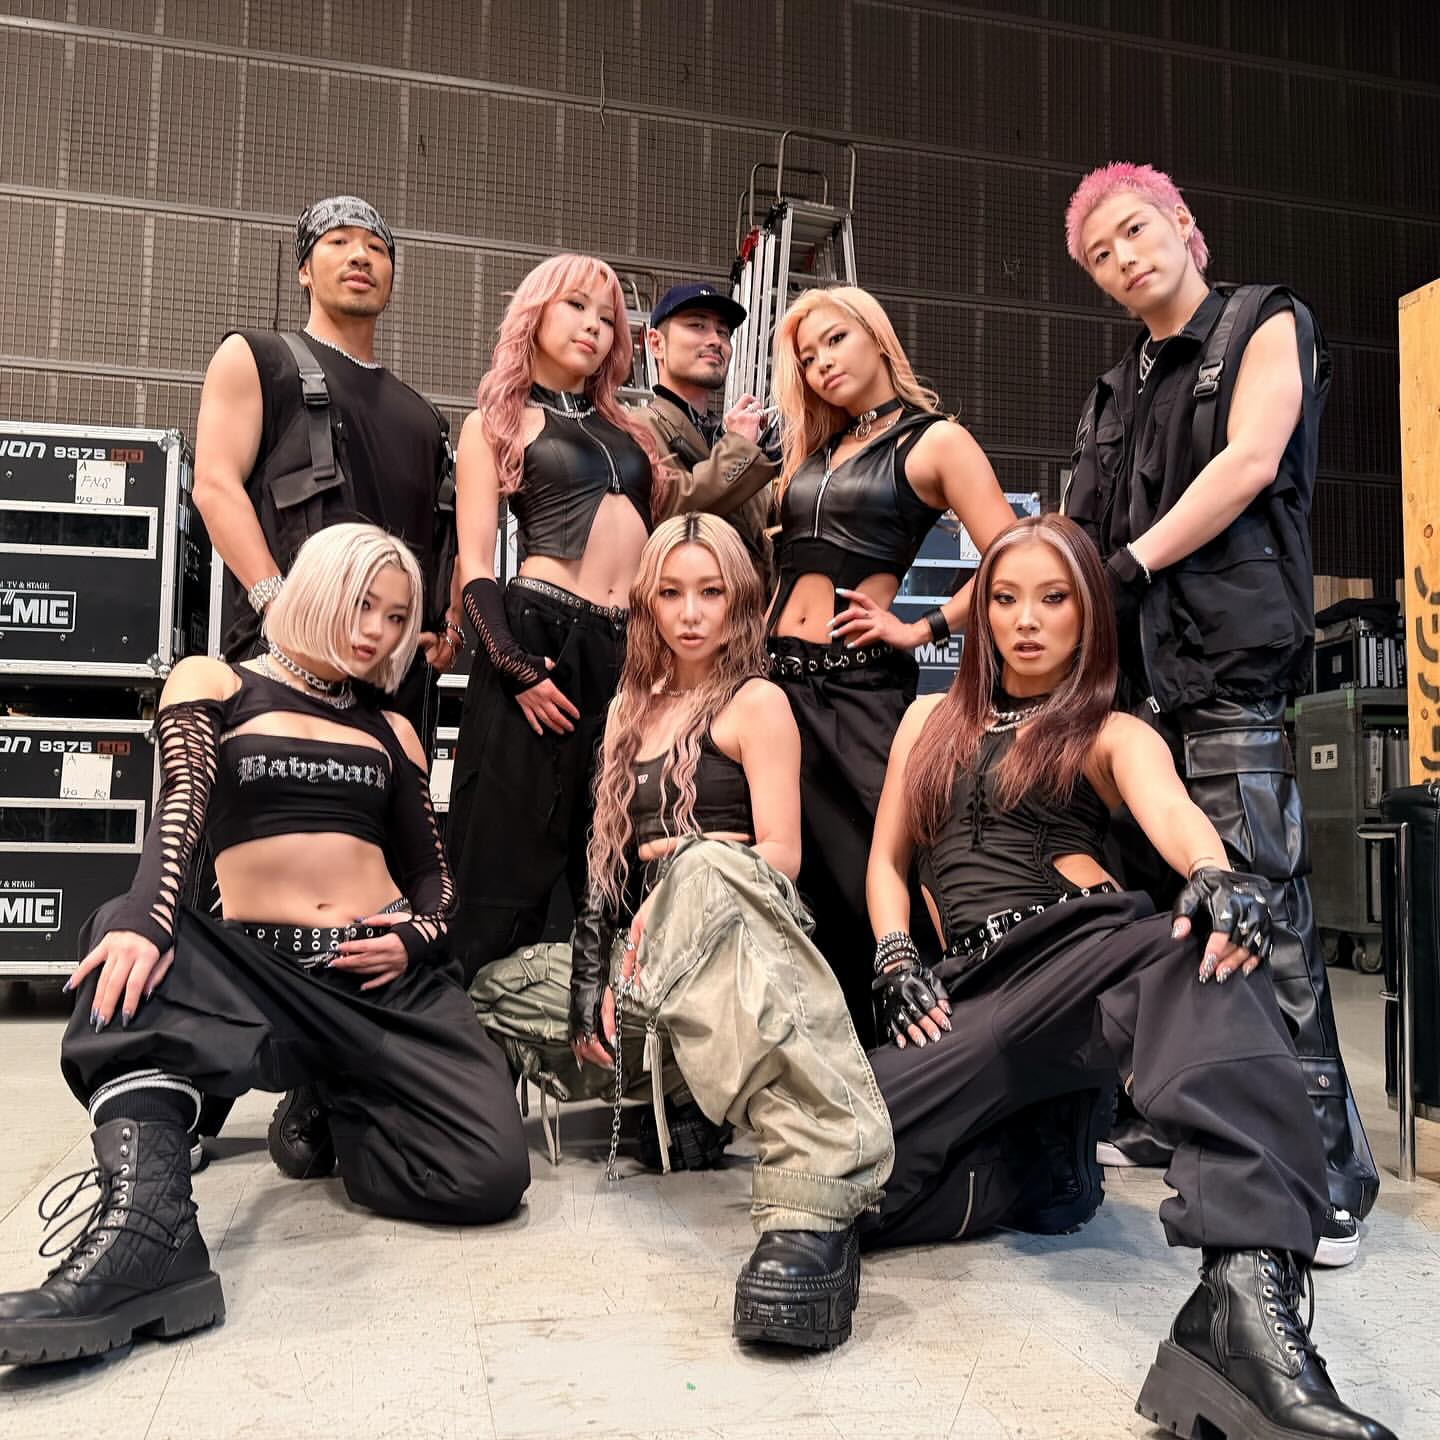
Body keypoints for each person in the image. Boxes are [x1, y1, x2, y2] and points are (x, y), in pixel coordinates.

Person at [862, 513, 1395, 1440]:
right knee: (852, 1165)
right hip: (960, 1000)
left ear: (1087, 615)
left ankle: (1242, 1300)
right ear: (982, 613)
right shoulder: (926, 721)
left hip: (1076, 959)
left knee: (1200, 944)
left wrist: (1215, 873)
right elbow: (887, 861)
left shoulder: (1110, 731)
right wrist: (894, 951)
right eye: (1006, 598)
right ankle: (1037, 1167)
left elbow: (1175, 813)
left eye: (1054, 598)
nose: (1027, 620)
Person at [0, 524, 529, 1368]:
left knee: (487, 1178)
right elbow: (179, 815)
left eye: (398, 617)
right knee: (124, 941)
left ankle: (333, 1103)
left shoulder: (392, 727)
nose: (378, 631)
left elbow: (436, 879)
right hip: (263, 974)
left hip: (380, 982)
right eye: (363, 604)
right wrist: (145, 916)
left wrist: (415, 938)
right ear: (316, 587)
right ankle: (148, 1235)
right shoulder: (216, 680)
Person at [469, 513, 893, 1352]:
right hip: (647, 958)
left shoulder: (756, 701)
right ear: (647, 605)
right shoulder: (630, 705)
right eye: (671, 593)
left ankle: (815, 1176)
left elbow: (781, 855)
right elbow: (602, 870)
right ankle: (679, 1093)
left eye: (710, 593)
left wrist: (688, 873)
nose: (691, 613)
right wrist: (592, 982)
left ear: (739, 602)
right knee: (497, 986)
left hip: (733, 926)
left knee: (703, 868)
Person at [1061, 162, 1377, 1264]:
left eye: (1134, 231)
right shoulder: (1114, 390)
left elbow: (1249, 460)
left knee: (1260, 909)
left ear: (1183, 224)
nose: (1123, 259)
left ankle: (1327, 1173)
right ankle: (1183, 1116)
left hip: (1230, 664)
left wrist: (1133, 564)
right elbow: (1076, 532)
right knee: (1165, 909)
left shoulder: (1262, 322)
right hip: (1132, 684)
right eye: (1100, 255)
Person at [767, 285, 1015, 1044]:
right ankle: (835, 1061)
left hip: (859, 688)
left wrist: (922, 626)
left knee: (885, 866)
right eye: (807, 357)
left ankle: (937, 1044)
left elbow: (1011, 556)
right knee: (803, 886)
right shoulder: (816, 451)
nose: (821, 363)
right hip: (777, 690)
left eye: (835, 340)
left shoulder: (934, 441)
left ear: (877, 337)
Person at [446, 254, 662, 985]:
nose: (594, 327)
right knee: (506, 847)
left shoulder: (632, 431)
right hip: (539, 638)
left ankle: (609, 1027)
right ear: (535, 312)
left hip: (630, 651)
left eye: (608, 319)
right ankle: (476, 1032)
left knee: (615, 850)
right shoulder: (495, 423)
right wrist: (511, 663)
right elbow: (475, 563)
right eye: (576, 306)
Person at [194, 194, 462, 742]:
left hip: (396, 684)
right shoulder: (257, 358)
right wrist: (277, 603)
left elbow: (444, 538)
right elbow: (215, 486)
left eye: (376, 249)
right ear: (304, 271)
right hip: (285, 665)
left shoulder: (425, 418)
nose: (360, 256)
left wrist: (448, 629)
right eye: (338, 242)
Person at [635, 282, 779, 586]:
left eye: (723, 332)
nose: (715, 340)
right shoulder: (637, 427)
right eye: (697, 325)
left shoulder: (728, 435)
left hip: (755, 612)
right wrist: (739, 448)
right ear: (656, 343)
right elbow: (671, 514)